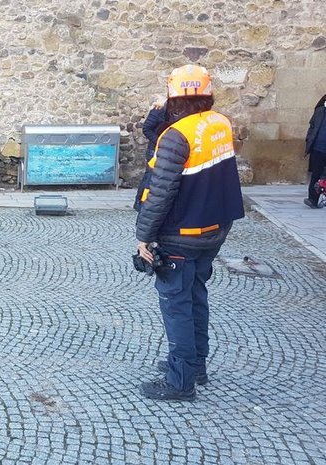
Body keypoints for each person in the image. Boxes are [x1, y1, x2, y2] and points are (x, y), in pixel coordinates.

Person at [135, 65, 245, 401]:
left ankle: (180, 380)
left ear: (174, 97)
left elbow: (161, 191)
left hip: (181, 233)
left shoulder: (176, 135)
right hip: (214, 228)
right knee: (195, 295)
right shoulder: (219, 123)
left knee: (176, 303)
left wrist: (143, 236)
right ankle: (195, 364)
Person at [134, 96, 168, 211]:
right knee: (149, 177)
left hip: (168, 149)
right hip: (154, 150)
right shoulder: (159, 109)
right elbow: (146, 129)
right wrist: (159, 141)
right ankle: (140, 203)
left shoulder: (178, 111)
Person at [304, 94, 326, 208]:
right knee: (316, 174)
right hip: (318, 148)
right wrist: (309, 139)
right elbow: (312, 126)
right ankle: (313, 199)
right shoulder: (319, 111)